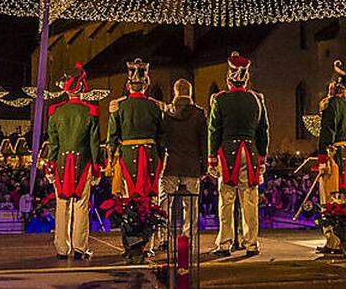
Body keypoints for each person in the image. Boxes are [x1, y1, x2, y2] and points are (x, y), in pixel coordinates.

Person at [207, 52, 269, 257]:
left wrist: (211, 158)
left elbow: (214, 130)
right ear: (247, 78)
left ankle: (225, 243)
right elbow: (263, 131)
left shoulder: (220, 100)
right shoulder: (257, 99)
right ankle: (251, 243)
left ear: (228, 78)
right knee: (250, 199)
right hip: (250, 151)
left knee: (226, 199)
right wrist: (262, 158)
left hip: (227, 153)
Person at [46, 62, 102, 260]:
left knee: (62, 205)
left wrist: (49, 164)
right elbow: (94, 144)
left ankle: (62, 247)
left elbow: (53, 143)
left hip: (61, 162)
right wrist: (97, 167)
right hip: (83, 162)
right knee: (81, 205)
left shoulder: (55, 112)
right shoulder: (91, 112)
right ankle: (80, 247)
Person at [314, 60, 346, 255]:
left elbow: (326, 133)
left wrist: (322, 159)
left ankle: (333, 241)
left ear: (334, 85)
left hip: (334, 155)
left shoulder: (332, 104)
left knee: (330, 197)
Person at [158, 78, 207, 249]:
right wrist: (204, 167)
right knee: (191, 206)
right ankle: (189, 239)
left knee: (165, 203)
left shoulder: (166, 112)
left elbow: (161, 139)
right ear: (190, 92)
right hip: (191, 164)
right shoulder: (199, 114)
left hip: (170, 163)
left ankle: (163, 238)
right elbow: (203, 142)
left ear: (175, 92)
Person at [108, 59, 165, 199]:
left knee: (128, 194)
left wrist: (110, 160)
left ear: (128, 85)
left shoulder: (119, 106)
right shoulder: (155, 106)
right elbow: (162, 136)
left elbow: (113, 136)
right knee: (150, 197)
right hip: (150, 153)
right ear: (146, 85)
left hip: (127, 154)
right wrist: (162, 157)